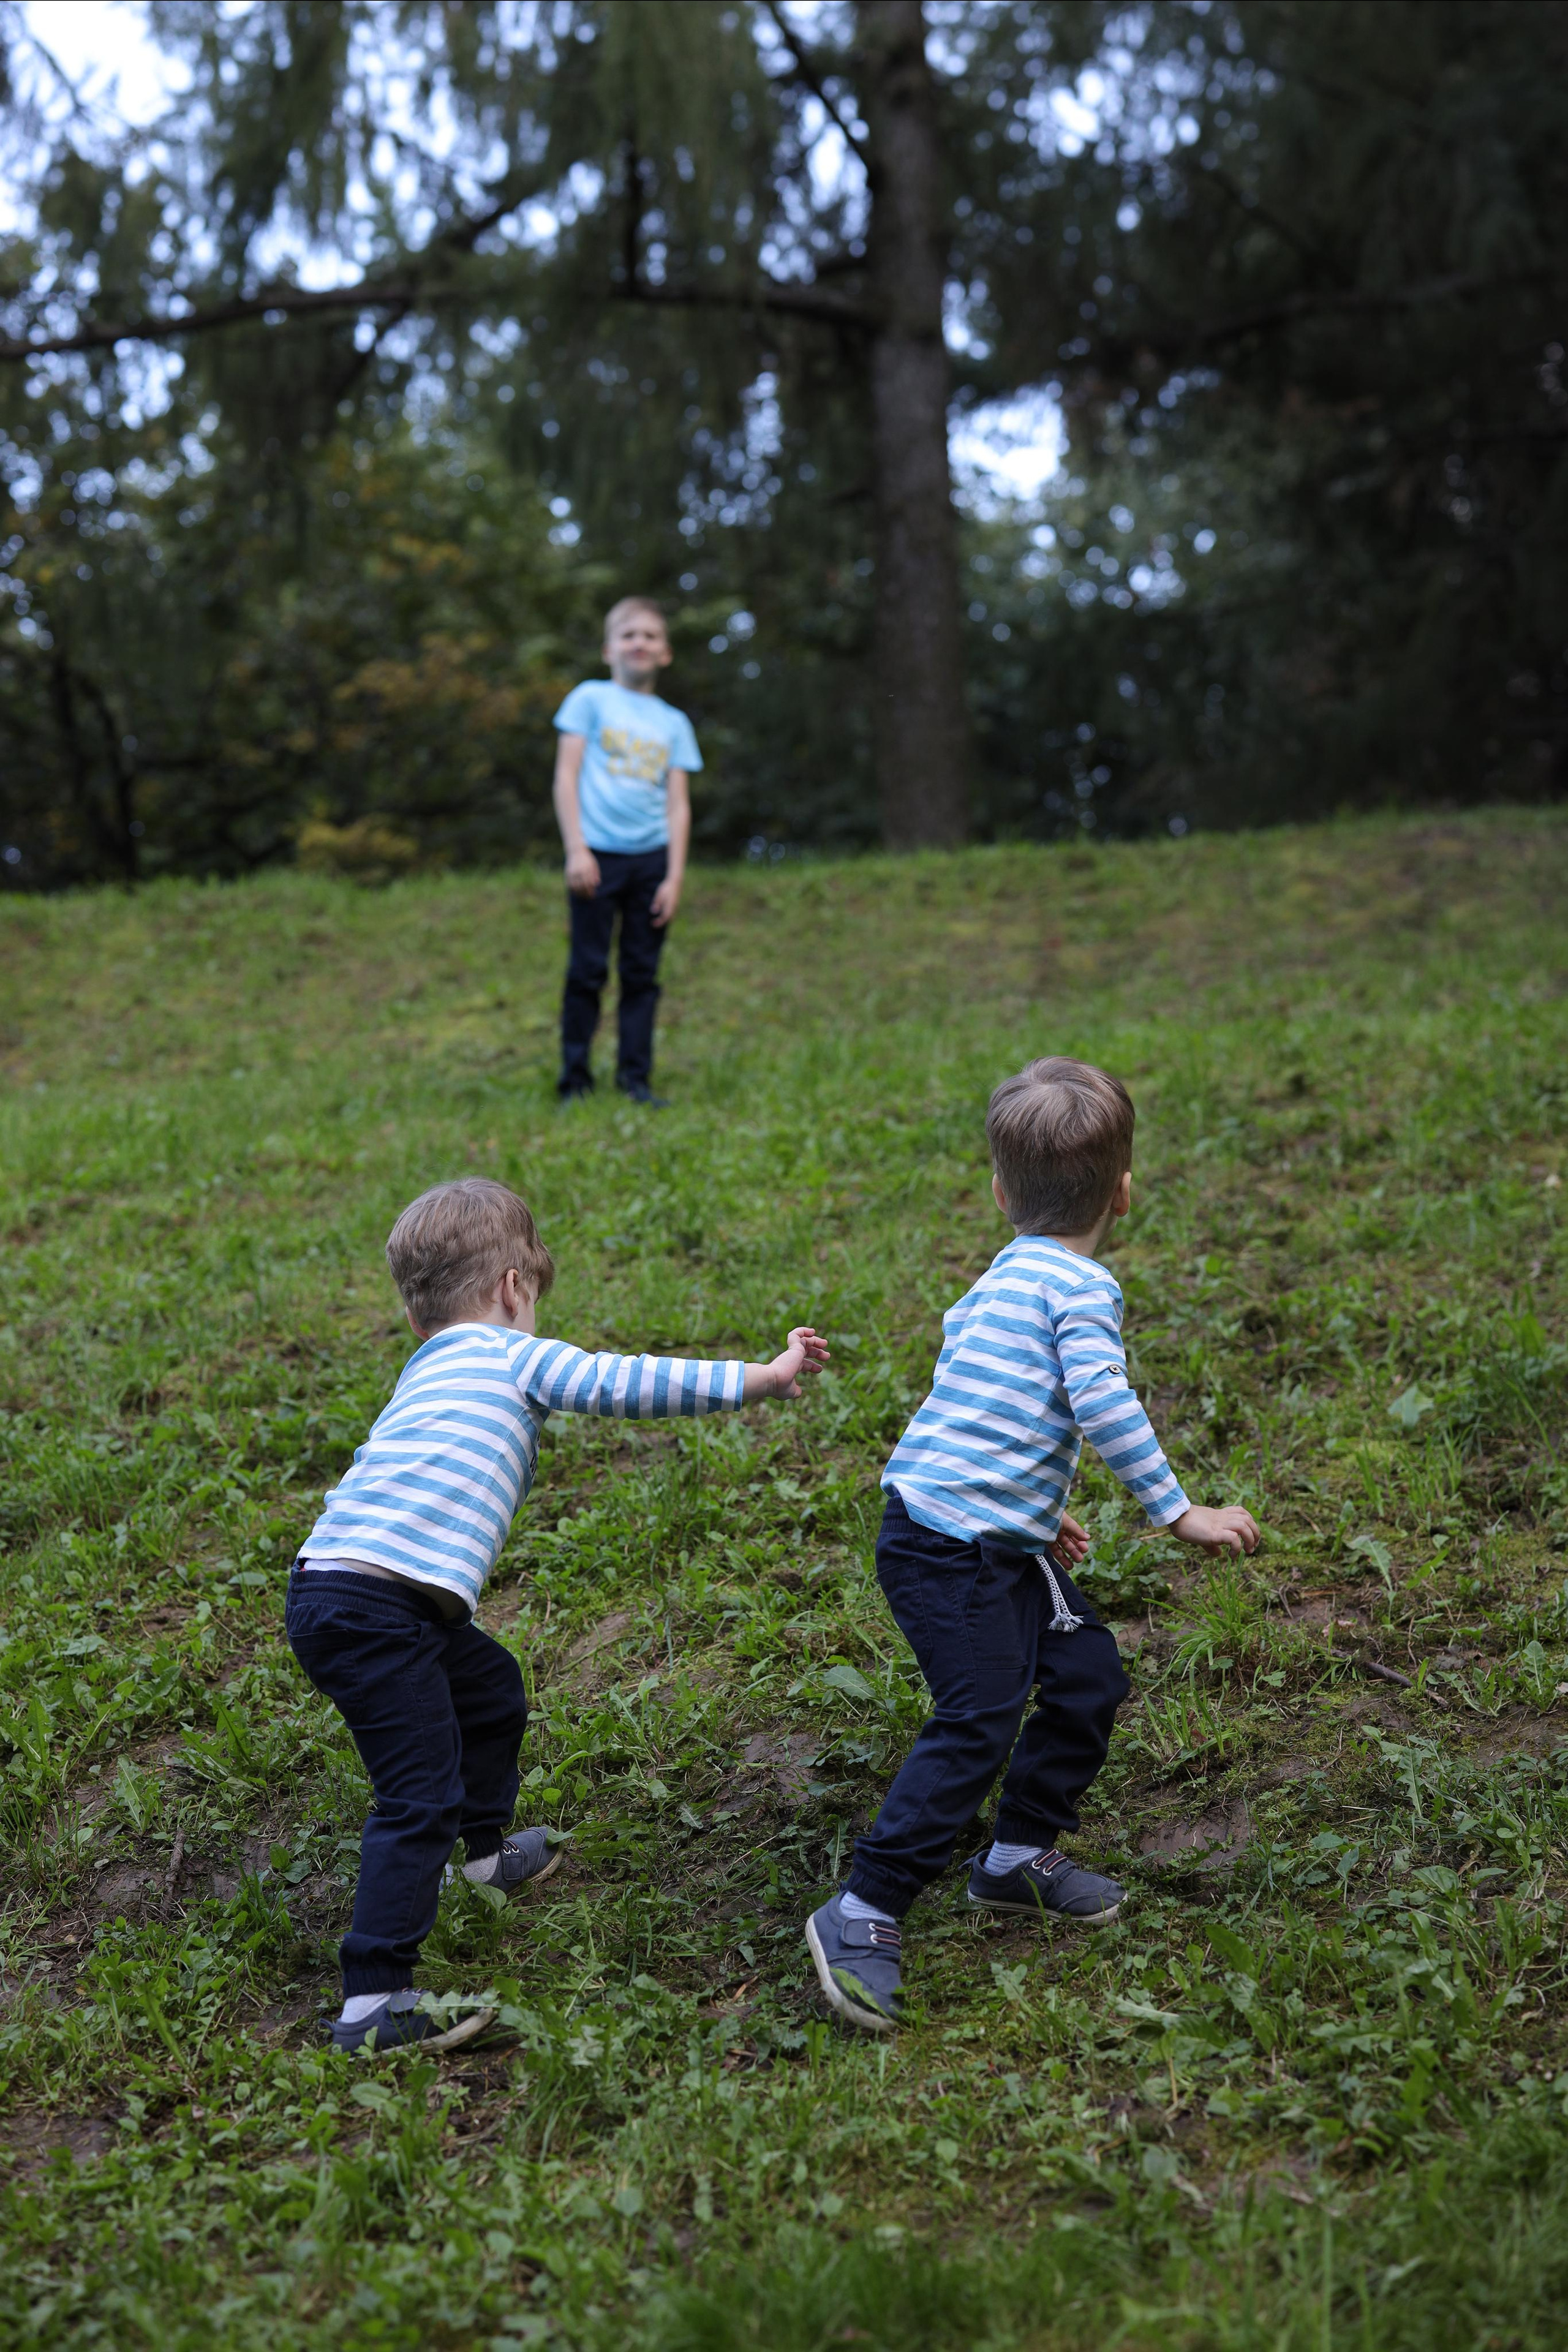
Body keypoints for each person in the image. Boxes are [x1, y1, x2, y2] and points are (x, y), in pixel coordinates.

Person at [287, 1176, 827, 2052]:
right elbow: (623, 1382)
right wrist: (761, 1378)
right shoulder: (509, 1353)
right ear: (512, 1289)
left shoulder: (422, 1368)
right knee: (414, 1793)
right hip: (382, 1609)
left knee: (491, 1687)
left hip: (337, 1590)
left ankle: (487, 1856)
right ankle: (371, 2003)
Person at [804, 1057, 1259, 2034]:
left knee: (1087, 1671)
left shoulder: (1003, 1277)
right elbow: (1099, 1400)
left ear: (1001, 1192)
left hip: (984, 1532)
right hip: (947, 1548)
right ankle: (864, 1906)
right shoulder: (1082, 1289)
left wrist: (1028, 1505)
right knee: (979, 1715)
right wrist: (1176, 1511)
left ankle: (1016, 1857)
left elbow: (981, 1397)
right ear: (1125, 1192)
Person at [551, 596, 701, 1107]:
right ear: (608, 648)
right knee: (587, 971)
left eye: (651, 636)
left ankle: (635, 1081)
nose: (640, 643)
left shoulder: (674, 722)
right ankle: (575, 1081)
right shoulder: (589, 700)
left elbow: (678, 806)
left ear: (666, 653)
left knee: (641, 975)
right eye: (629, 634)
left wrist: (674, 878)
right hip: (596, 857)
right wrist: (577, 848)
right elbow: (566, 775)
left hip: (651, 862)